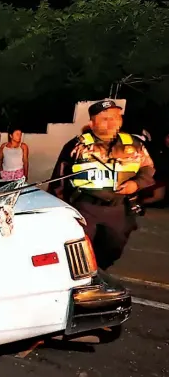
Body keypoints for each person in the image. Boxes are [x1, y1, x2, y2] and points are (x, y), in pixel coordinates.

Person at [64, 100, 155, 269]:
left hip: (120, 209)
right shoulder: (77, 145)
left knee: (113, 249)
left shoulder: (134, 144)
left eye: (116, 117)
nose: (112, 121)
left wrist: (135, 185)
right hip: (85, 207)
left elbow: (148, 169)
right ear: (92, 123)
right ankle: (87, 279)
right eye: (105, 118)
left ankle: (101, 270)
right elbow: (60, 180)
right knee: (81, 251)